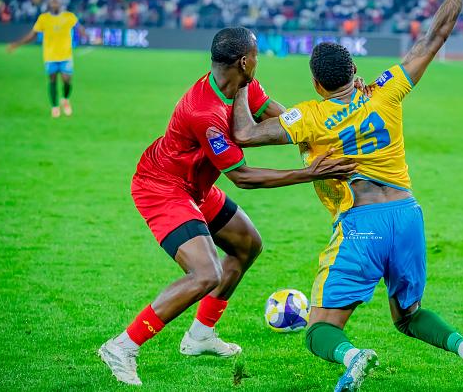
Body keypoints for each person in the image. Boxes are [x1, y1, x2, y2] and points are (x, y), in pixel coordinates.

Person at [230, 0, 463, 391]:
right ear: (354, 71)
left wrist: (243, 83)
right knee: (409, 316)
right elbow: (434, 36)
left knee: (319, 328)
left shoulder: (309, 116)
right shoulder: (386, 90)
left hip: (362, 224)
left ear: (316, 83)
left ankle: (353, 356)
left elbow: (244, 134)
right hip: (407, 215)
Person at [98, 27, 358, 386]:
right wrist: (309, 173)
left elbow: (277, 116)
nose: (259, 60)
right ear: (244, 61)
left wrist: (320, 131)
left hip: (196, 187)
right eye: (256, 54)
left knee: (247, 244)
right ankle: (122, 346)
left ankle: (200, 335)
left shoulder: (243, 84)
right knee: (205, 274)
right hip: (163, 187)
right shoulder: (204, 112)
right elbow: (243, 177)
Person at [7, 0, 84, 118]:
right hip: (50, 56)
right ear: (49, 4)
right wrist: (17, 44)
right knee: (52, 80)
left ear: (61, 3)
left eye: (57, 2)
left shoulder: (69, 16)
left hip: (66, 56)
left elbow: (79, 28)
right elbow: (32, 35)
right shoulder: (43, 19)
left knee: (67, 80)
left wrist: (85, 35)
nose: (55, 4)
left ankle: (65, 99)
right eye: (52, 2)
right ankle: (54, 107)